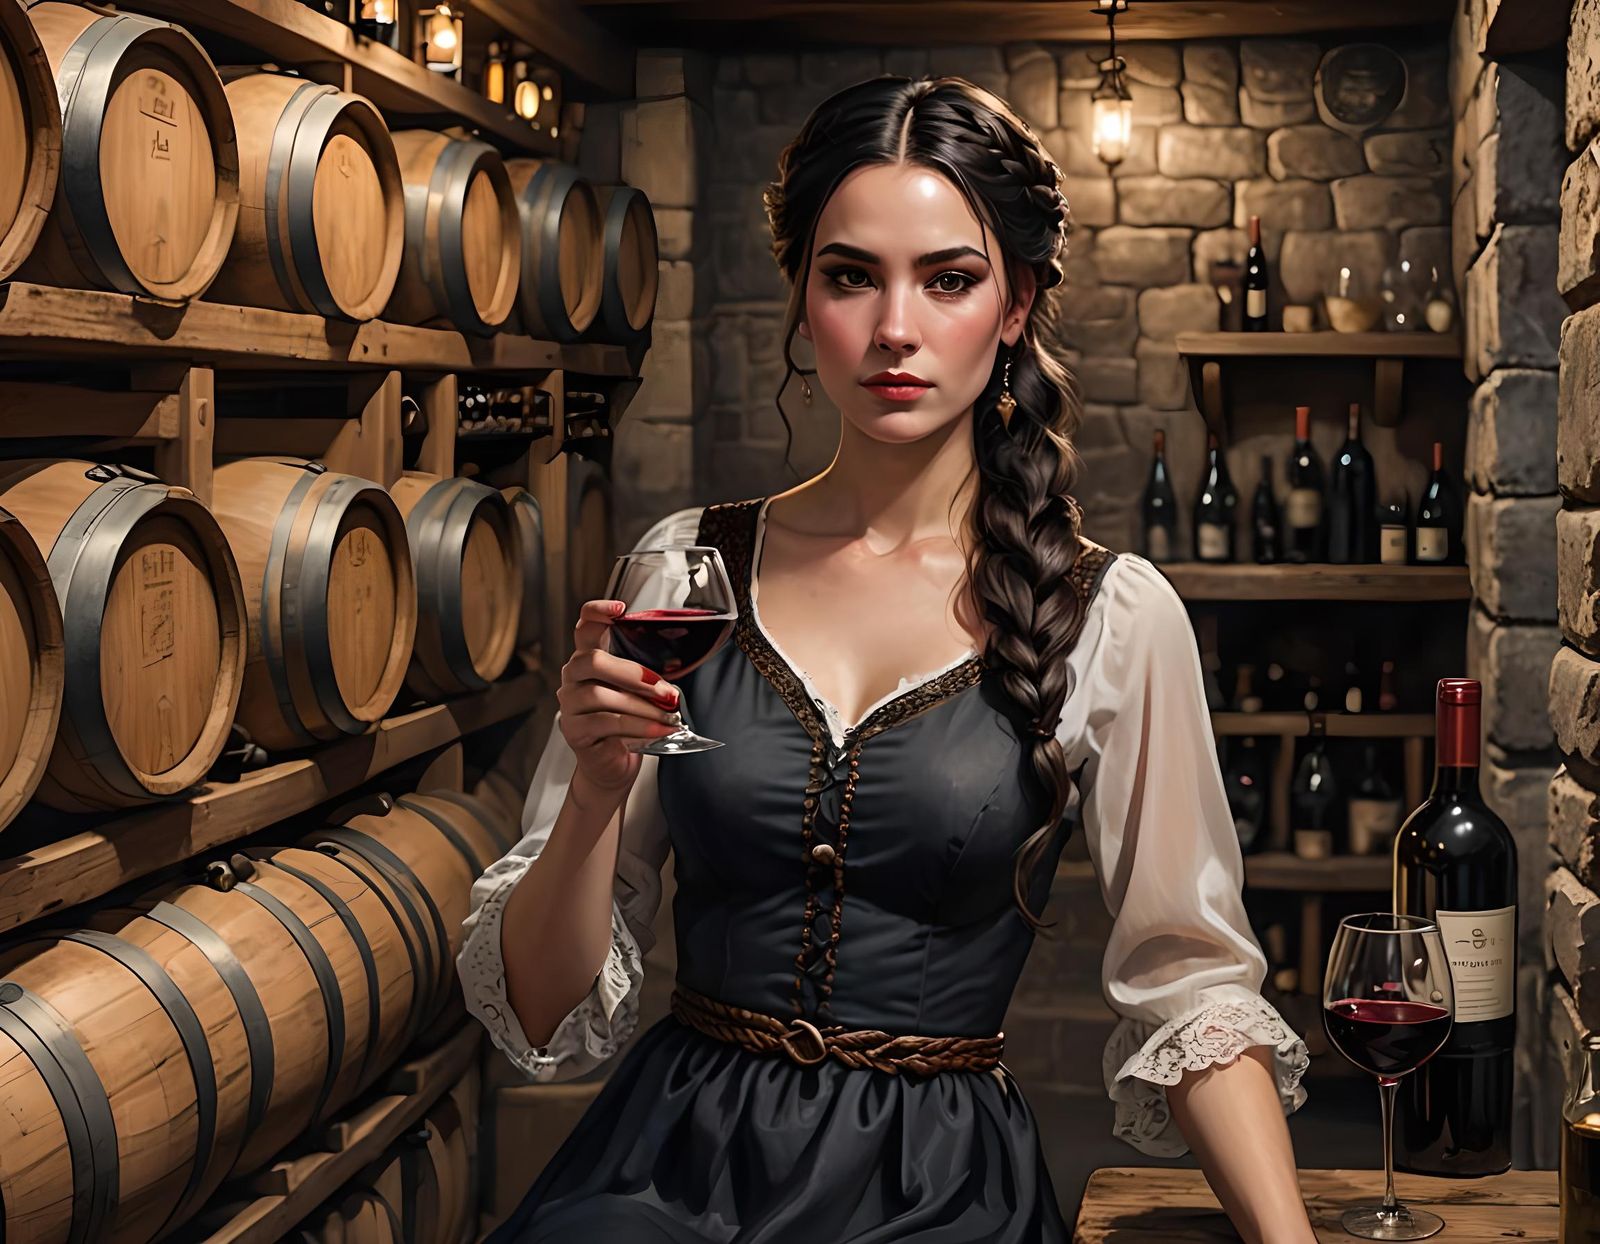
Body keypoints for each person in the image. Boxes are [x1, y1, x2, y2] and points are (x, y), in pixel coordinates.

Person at [457, 75, 1315, 1242]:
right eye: (850, 275)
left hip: (934, 1184)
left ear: (1013, 306)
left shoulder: (1108, 614)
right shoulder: (682, 573)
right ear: (805, 303)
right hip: (670, 1166)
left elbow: (1192, 985)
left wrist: (1287, 1239)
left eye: (948, 278)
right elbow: (546, 1001)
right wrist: (595, 795)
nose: (893, 327)